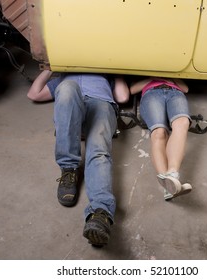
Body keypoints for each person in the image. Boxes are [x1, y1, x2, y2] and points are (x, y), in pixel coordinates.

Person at [27, 70, 129, 246]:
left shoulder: (105, 77)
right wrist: (50, 68)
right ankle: (69, 169)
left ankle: (100, 213)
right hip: (71, 114)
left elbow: (122, 96)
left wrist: (116, 70)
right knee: (67, 88)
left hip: (101, 106)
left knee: (98, 151)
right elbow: (34, 94)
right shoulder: (64, 78)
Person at [130, 77, 193, 201]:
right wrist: (154, 76)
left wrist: (171, 75)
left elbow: (185, 88)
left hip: (175, 93)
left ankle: (172, 175)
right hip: (151, 93)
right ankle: (167, 185)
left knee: (182, 123)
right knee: (159, 133)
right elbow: (132, 89)